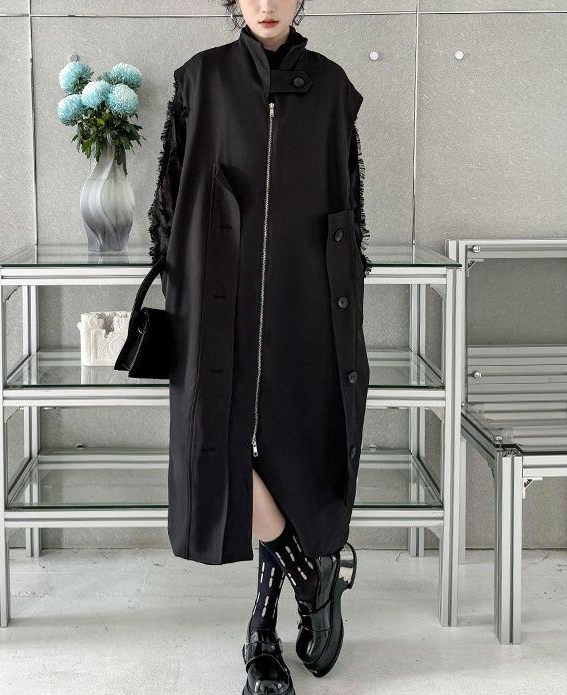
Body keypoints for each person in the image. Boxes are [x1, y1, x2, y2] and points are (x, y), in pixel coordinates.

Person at [147, 1, 371, 692]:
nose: (267, 5)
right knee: (214, 437)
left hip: (306, 304)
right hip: (216, 297)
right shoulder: (201, 78)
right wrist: (176, 277)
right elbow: (168, 198)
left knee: (294, 450)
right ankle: (309, 574)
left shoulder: (332, 85)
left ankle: (261, 637)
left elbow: (349, 200)